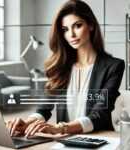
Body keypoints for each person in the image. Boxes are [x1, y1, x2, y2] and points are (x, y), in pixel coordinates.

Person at [7, 0, 125, 138]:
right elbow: (44, 108)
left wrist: (60, 128)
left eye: (77, 26)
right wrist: (27, 123)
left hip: (99, 139)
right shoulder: (60, 66)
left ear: (91, 25)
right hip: (65, 142)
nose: (71, 35)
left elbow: (99, 114)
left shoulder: (113, 66)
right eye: (65, 29)